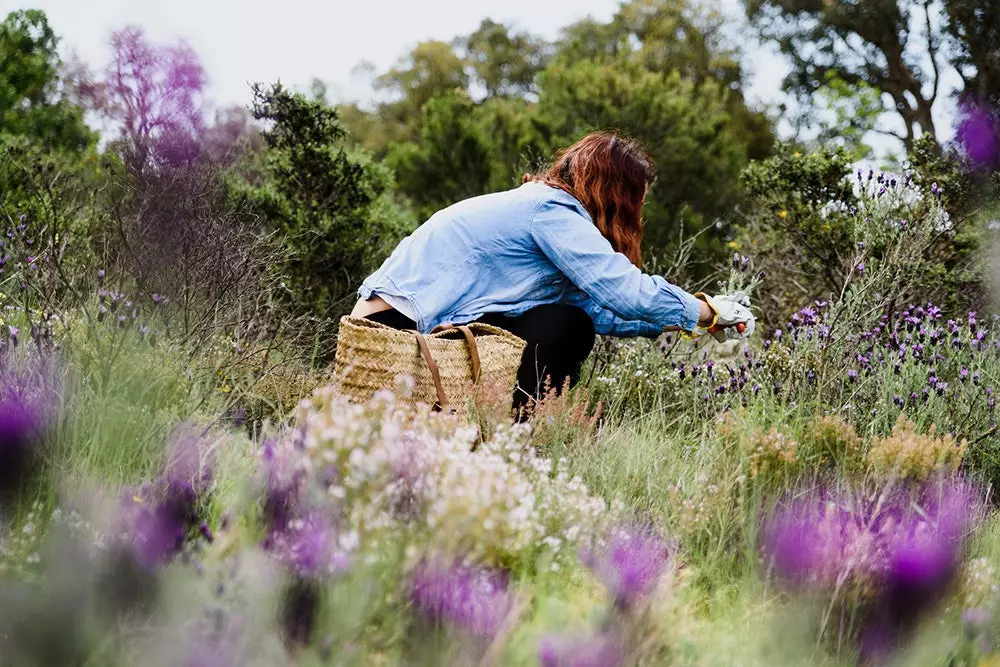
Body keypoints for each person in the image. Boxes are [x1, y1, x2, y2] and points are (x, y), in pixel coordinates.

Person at [351, 131, 755, 414]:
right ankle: (518, 435)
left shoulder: (540, 209)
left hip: (398, 322)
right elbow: (623, 292)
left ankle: (501, 433)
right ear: (615, 193)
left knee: (564, 319)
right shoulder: (552, 211)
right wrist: (707, 311)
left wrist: (693, 321)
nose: (638, 214)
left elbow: (600, 311)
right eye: (637, 202)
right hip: (395, 328)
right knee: (568, 327)